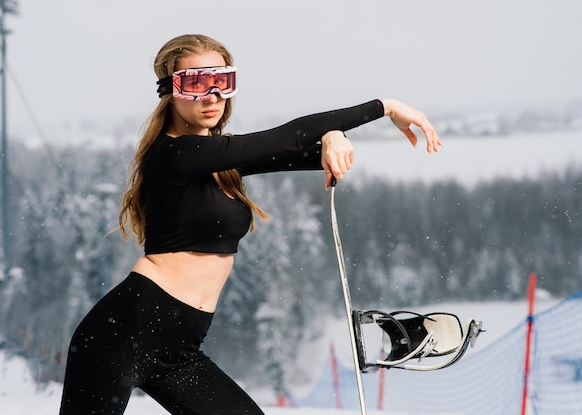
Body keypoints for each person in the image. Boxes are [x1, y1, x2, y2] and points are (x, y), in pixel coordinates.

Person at [59, 34, 442, 414]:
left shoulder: (219, 160)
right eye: (195, 83)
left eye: (221, 81)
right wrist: (386, 106)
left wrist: (331, 135)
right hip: (122, 333)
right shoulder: (175, 153)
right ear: (170, 90)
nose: (211, 95)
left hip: (177, 348)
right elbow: (286, 137)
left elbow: (302, 151)